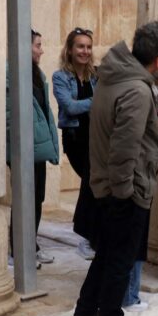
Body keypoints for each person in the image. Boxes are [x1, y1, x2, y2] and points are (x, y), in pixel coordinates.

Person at [72, 22, 158, 316]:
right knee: (120, 256)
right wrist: (125, 194)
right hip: (124, 188)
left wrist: (153, 129)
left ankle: (86, 310)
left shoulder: (114, 77)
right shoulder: (137, 89)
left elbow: (127, 133)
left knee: (107, 252)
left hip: (106, 183)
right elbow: (124, 148)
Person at [7, 29, 60, 267]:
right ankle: (19, 250)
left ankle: (32, 244)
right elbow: (10, 114)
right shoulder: (11, 75)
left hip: (38, 146)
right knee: (23, 199)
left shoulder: (37, 74)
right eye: (37, 45)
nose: (41, 50)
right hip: (24, 147)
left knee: (37, 197)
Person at [53, 27, 98, 261]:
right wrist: (95, 100)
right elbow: (69, 107)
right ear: (70, 50)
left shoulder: (96, 75)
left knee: (93, 183)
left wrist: (89, 102)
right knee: (90, 181)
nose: (85, 51)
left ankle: (91, 235)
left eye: (89, 47)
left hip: (97, 137)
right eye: (80, 46)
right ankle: (87, 234)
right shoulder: (60, 77)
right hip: (75, 138)